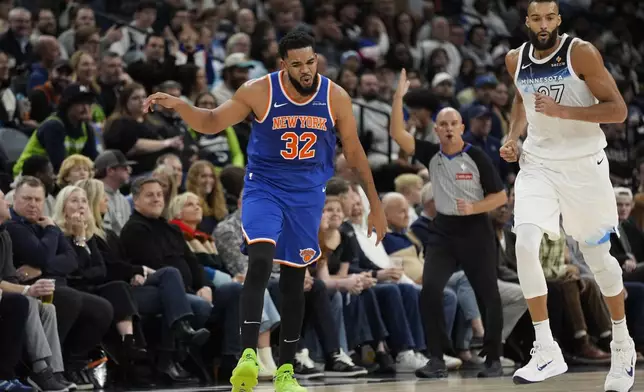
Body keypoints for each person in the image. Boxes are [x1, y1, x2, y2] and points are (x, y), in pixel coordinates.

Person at [144, 30, 387, 392]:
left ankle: (286, 371)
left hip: (306, 197)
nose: (306, 70)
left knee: (294, 281)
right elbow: (211, 121)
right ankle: (248, 357)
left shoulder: (335, 97)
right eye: (297, 64)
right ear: (282, 65)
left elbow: (353, 151)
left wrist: (376, 204)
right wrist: (181, 105)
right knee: (259, 261)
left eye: (310, 62)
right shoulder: (259, 90)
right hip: (265, 189)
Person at [501, 1, 635, 390]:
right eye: (535, 19)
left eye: (549, 18)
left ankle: (622, 342)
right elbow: (521, 100)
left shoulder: (581, 53)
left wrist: (565, 112)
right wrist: (513, 137)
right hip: (538, 164)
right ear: (526, 22)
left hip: (584, 166)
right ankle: (546, 348)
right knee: (524, 242)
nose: (542, 25)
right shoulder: (515, 60)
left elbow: (618, 110)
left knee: (597, 257)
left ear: (558, 20)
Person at [389, 70, 508, 379]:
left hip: (475, 231)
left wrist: (476, 206)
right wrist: (398, 98)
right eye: (443, 124)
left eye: (454, 123)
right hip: (443, 231)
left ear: (462, 127)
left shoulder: (477, 156)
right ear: (437, 130)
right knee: (430, 291)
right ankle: (437, 358)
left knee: (488, 295)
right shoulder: (431, 153)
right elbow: (398, 136)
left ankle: (493, 357)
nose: (449, 128)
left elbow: (500, 197)